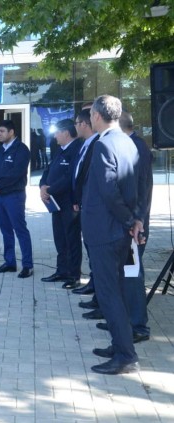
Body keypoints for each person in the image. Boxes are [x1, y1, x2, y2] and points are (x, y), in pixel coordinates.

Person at [83, 94, 143, 375]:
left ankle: (125, 356)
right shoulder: (129, 142)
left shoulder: (104, 144)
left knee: (109, 294)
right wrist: (135, 219)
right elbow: (139, 186)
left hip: (106, 231)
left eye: (91, 115)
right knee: (117, 291)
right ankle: (120, 344)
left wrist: (129, 219)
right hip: (119, 231)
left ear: (96, 116)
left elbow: (109, 190)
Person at [115, 111, 153, 343]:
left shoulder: (136, 147)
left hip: (133, 224)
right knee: (126, 273)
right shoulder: (132, 145)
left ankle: (138, 326)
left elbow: (142, 190)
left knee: (131, 274)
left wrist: (136, 221)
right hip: (129, 222)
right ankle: (124, 319)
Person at [0, 120, 34, 278]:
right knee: (5, 230)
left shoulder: (22, 150)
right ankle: (10, 262)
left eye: (2, 131)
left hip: (14, 195)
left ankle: (27, 265)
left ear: (11, 132)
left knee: (20, 229)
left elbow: (17, 172)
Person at [38, 119, 82, 289]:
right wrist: (43, 185)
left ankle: (73, 275)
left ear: (66, 132)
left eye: (57, 132)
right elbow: (48, 170)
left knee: (71, 238)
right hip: (55, 202)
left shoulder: (77, 150)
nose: (55, 136)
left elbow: (70, 177)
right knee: (59, 238)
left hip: (69, 202)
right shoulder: (59, 150)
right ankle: (61, 270)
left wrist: (49, 189)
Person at [71, 109, 100, 298]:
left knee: (96, 251)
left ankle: (97, 287)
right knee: (90, 247)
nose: (75, 127)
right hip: (82, 205)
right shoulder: (84, 145)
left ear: (84, 124)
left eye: (76, 123)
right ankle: (94, 283)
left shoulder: (98, 144)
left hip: (93, 208)